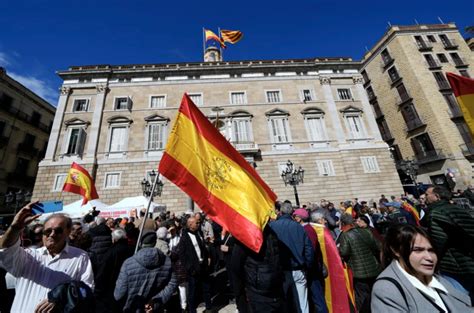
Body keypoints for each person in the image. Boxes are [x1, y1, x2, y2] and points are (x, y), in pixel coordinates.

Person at [0, 203, 94, 312]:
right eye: (48, 231)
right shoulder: (29, 255)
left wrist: (62, 295)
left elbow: (87, 290)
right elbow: (5, 249)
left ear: (68, 232)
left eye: (58, 231)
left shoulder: (80, 257)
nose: (52, 234)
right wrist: (15, 227)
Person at [371, 224, 473, 312]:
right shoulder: (387, 289)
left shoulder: (438, 279)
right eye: (418, 250)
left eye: (431, 250)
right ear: (396, 250)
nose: (429, 258)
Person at [424, 185, 474, 303]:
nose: (424, 197)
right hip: (469, 259)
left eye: (427, 194)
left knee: (457, 301)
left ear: (436, 196)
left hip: (454, 265)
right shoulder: (457, 209)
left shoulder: (436, 213)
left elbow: (437, 243)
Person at [114, 230, 177, 312]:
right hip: (154, 308)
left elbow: (119, 294)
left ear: (140, 243)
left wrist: (155, 301)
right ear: (155, 243)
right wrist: (156, 300)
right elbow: (173, 283)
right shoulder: (167, 261)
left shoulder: (128, 263)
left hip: (132, 307)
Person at [270, 202, 314, 313]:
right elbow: (308, 249)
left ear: (280, 212)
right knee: (303, 302)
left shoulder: (272, 226)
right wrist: (307, 265)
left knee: (285, 301)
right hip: (298, 268)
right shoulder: (298, 227)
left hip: (281, 270)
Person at [231, 226, 284, 313]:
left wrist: (240, 301)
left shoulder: (245, 237)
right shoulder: (272, 233)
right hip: (272, 288)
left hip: (258, 291)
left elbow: (236, 269)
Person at [338, 213, 380, 313]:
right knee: (375, 293)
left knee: (362, 297)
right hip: (374, 268)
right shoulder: (366, 231)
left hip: (358, 272)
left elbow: (344, 252)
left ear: (343, 223)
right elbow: (377, 246)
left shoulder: (345, 235)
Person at [293, 209, 327, 313]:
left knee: (317, 297)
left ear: (299, 219)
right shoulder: (307, 228)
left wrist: (307, 265)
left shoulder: (307, 230)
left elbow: (310, 250)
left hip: (312, 269)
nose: (293, 219)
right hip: (312, 267)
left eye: (294, 217)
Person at [178, 216, 212, 313]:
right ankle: (192, 310)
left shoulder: (199, 233)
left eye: (198, 222)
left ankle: (209, 308)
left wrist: (207, 257)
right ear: (190, 225)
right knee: (192, 291)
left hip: (203, 266)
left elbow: (203, 247)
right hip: (193, 268)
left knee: (206, 288)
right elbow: (182, 255)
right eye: (196, 223)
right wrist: (189, 268)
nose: (198, 224)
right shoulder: (184, 237)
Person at [94, 228, 133, 313]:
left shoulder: (111, 252)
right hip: (127, 284)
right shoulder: (132, 249)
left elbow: (103, 272)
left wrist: (98, 290)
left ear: (114, 239)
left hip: (112, 286)